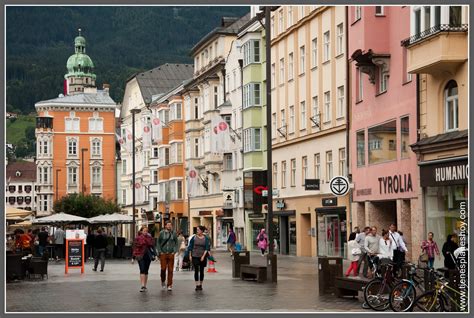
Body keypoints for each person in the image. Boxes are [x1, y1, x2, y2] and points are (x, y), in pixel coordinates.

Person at [187, 225, 211, 291]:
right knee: (196, 270)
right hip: (195, 255)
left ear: (202, 231)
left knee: (202, 271)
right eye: (197, 230)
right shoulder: (194, 237)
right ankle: (197, 285)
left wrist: (203, 256)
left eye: (198, 230)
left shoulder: (206, 238)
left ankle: (201, 284)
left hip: (202, 256)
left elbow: (206, 248)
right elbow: (190, 247)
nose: (197, 231)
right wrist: (190, 255)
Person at [156, 221, 178, 291]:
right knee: (163, 269)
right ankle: (163, 281)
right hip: (163, 254)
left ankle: (169, 285)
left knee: (170, 270)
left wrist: (174, 251)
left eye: (170, 225)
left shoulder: (173, 233)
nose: (169, 226)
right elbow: (158, 243)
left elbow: (176, 242)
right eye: (168, 225)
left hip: (171, 253)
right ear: (165, 226)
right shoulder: (161, 233)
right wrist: (160, 251)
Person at [133, 226, 155, 292]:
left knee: (146, 270)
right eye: (144, 231)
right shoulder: (138, 238)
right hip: (140, 255)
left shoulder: (150, 238)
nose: (145, 232)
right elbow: (135, 248)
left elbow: (153, 246)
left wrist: (155, 255)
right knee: (142, 269)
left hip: (148, 256)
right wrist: (133, 257)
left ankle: (145, 285)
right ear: (141, 231)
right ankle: (142, 286)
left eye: (146, 231)